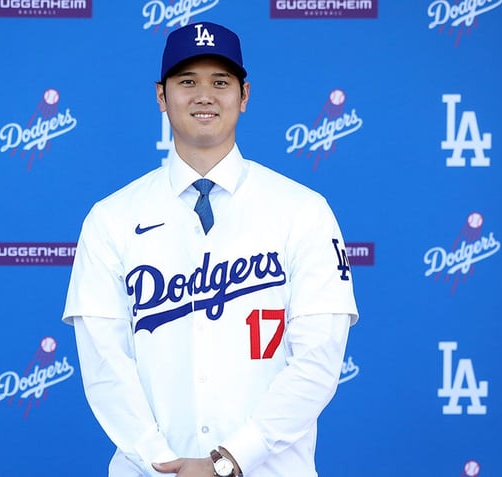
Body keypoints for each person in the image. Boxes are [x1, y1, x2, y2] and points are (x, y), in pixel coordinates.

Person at [62, 21, 358, 477]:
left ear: (244, 95)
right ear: (161, 96)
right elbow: (105, 364)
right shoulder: (111, 218)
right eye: (187, 82)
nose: (204, 95)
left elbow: (318, 360)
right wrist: (163, 461)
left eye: (220, 82)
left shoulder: (303, 210)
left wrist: (231, 458)